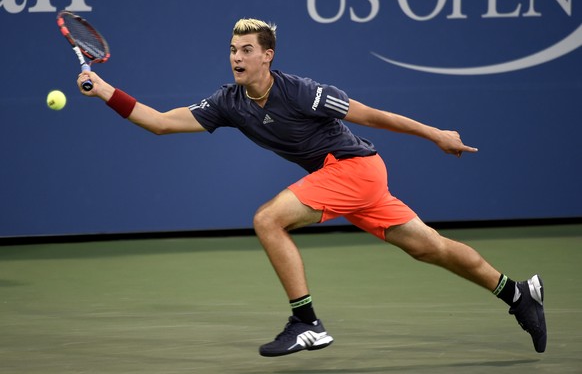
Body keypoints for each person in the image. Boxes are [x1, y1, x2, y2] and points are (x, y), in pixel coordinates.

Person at [77, 18, 547, 357]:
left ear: (267, 55)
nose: (236, 57)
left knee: (268, 219)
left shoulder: (300, 90)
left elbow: (370, 115)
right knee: (430, 248)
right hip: (347, 179)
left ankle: (307, 322)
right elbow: (160, 123)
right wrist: (105, 92)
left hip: (354, 168)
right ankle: (517, 294)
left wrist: (435, 134)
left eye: (246, 50)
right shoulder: (227, 102)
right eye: (232, 49)